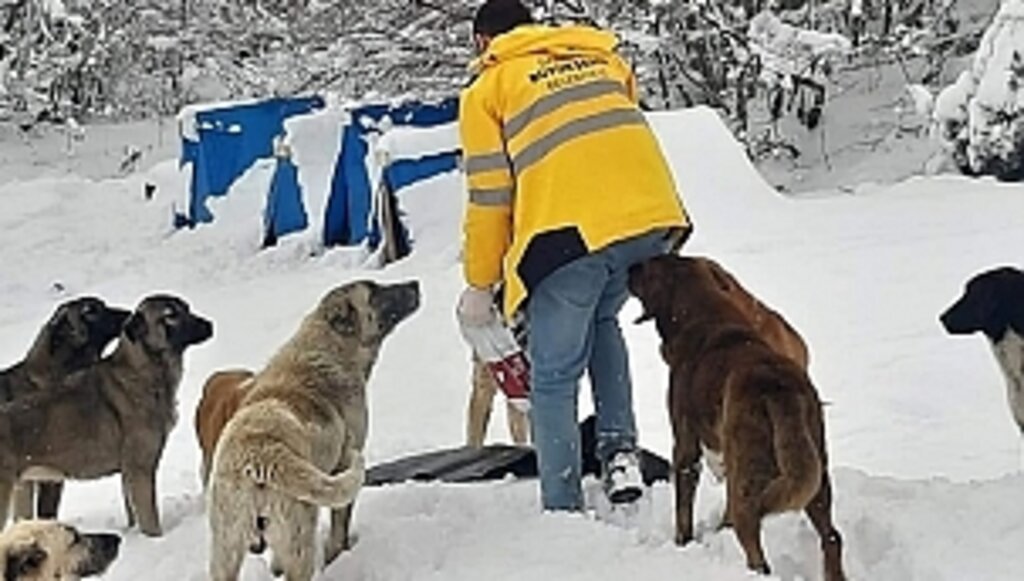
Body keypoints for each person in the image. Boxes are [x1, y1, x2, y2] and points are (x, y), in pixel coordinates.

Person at [456, 0, 692, 512]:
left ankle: (561, 501)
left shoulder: (487, 90)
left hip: (571, 234)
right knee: (602, 320)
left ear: (482, 43)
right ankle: (619, 453)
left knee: (554, 370)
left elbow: (491, 197)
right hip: (652, 218)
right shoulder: (601, 58)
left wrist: (480, 283)